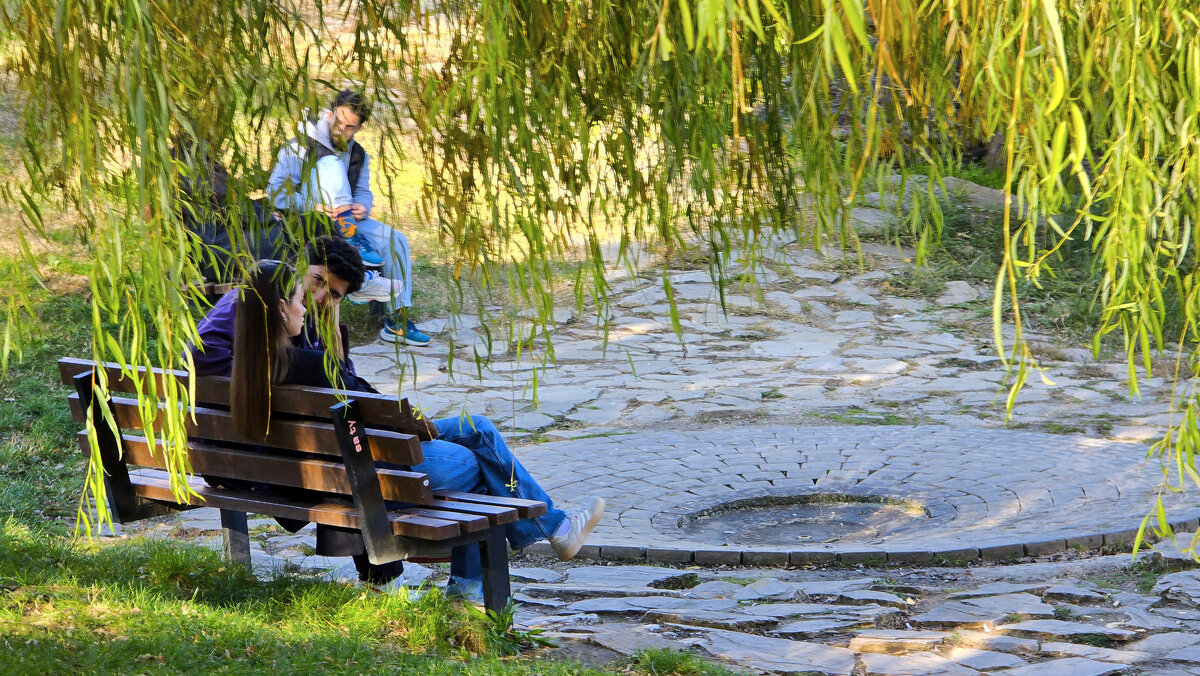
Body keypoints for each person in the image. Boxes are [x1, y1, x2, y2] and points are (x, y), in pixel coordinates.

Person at [189, 237, 605, 599]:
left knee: (476, 429)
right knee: (482, 458)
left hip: (289, 463)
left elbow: (341, 391)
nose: (318, 300)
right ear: (286, 296)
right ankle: (491, 573)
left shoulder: (276, 339)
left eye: (333, 295)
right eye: (314, 285)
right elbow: (353, 397)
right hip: (346, 467)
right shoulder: (294, 350)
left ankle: (549, 530)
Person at [267, 89, 433, 346]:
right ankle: (358, 266)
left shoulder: (358, 154)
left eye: (350, 127)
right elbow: (276, 193)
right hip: (309, 220)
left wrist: (362, 207)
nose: (341, 130)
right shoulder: (299, 146)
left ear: (358, 128)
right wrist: (315, 206)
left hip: (347, 220)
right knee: (331, 164)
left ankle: (397, 321)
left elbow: (364, 193)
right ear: (329, 113)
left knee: (395, 239)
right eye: (339, 121)